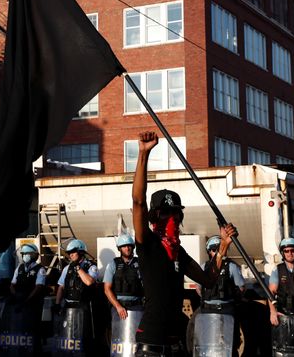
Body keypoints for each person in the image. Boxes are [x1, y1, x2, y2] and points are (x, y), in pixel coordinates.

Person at [131, 131, 236, 356]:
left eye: (176, 213)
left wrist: (224, 246)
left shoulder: (180, 253)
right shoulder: (147, 244)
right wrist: (143, 153)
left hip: (176, 343)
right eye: (165, 213)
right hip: (151, 345)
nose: (172, 218)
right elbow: (138, 202)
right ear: (153, 217)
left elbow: (208, 280)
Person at [197, 235, 244, 357]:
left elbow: (241, 287)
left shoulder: (232, 266)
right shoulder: (204, 267)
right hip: (208, 310)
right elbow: (198, 288)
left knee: (229, 343)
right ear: (209, 251)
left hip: (227, 310)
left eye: (218, 249)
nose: (216, 252)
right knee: (207, 342)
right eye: (213, 249)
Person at [54, 239, 100, 353]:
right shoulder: (67, 268)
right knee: (67, 336)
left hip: (83, 307)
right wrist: (57, 304)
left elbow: (89, 282)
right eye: (69, 253)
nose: (71, 255)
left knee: (83, 337)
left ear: (81, 252)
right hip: (68, 307)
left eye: (73, 252)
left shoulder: (91, 266)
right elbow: (61, 286)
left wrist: (78, 268)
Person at [104, 233, 144, 318]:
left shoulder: (140, 264)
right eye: (124, 246)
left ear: (133, 247)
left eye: (129, 246)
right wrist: (118, 306)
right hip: (117, 307)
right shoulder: (112, 264)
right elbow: (107, 289)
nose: (127, 248)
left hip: (137, 307)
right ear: (119, 248)